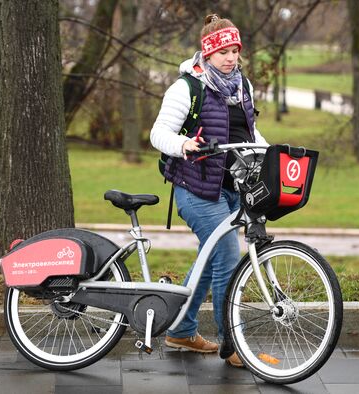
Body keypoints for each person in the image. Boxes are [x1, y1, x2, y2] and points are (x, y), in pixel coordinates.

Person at [150, 14, 267, 367]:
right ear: (207, 53)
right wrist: (184, 144)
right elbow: (158, 133)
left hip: (232, 187)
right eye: (223, 53)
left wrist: (270, 152)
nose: (230, 58)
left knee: (210, 257)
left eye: (235, 51)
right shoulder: (187, 87)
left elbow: (249, 133)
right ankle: (231, 345)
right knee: (228, 255)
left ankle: (181, 330)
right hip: (195, 189)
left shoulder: (241, 85)